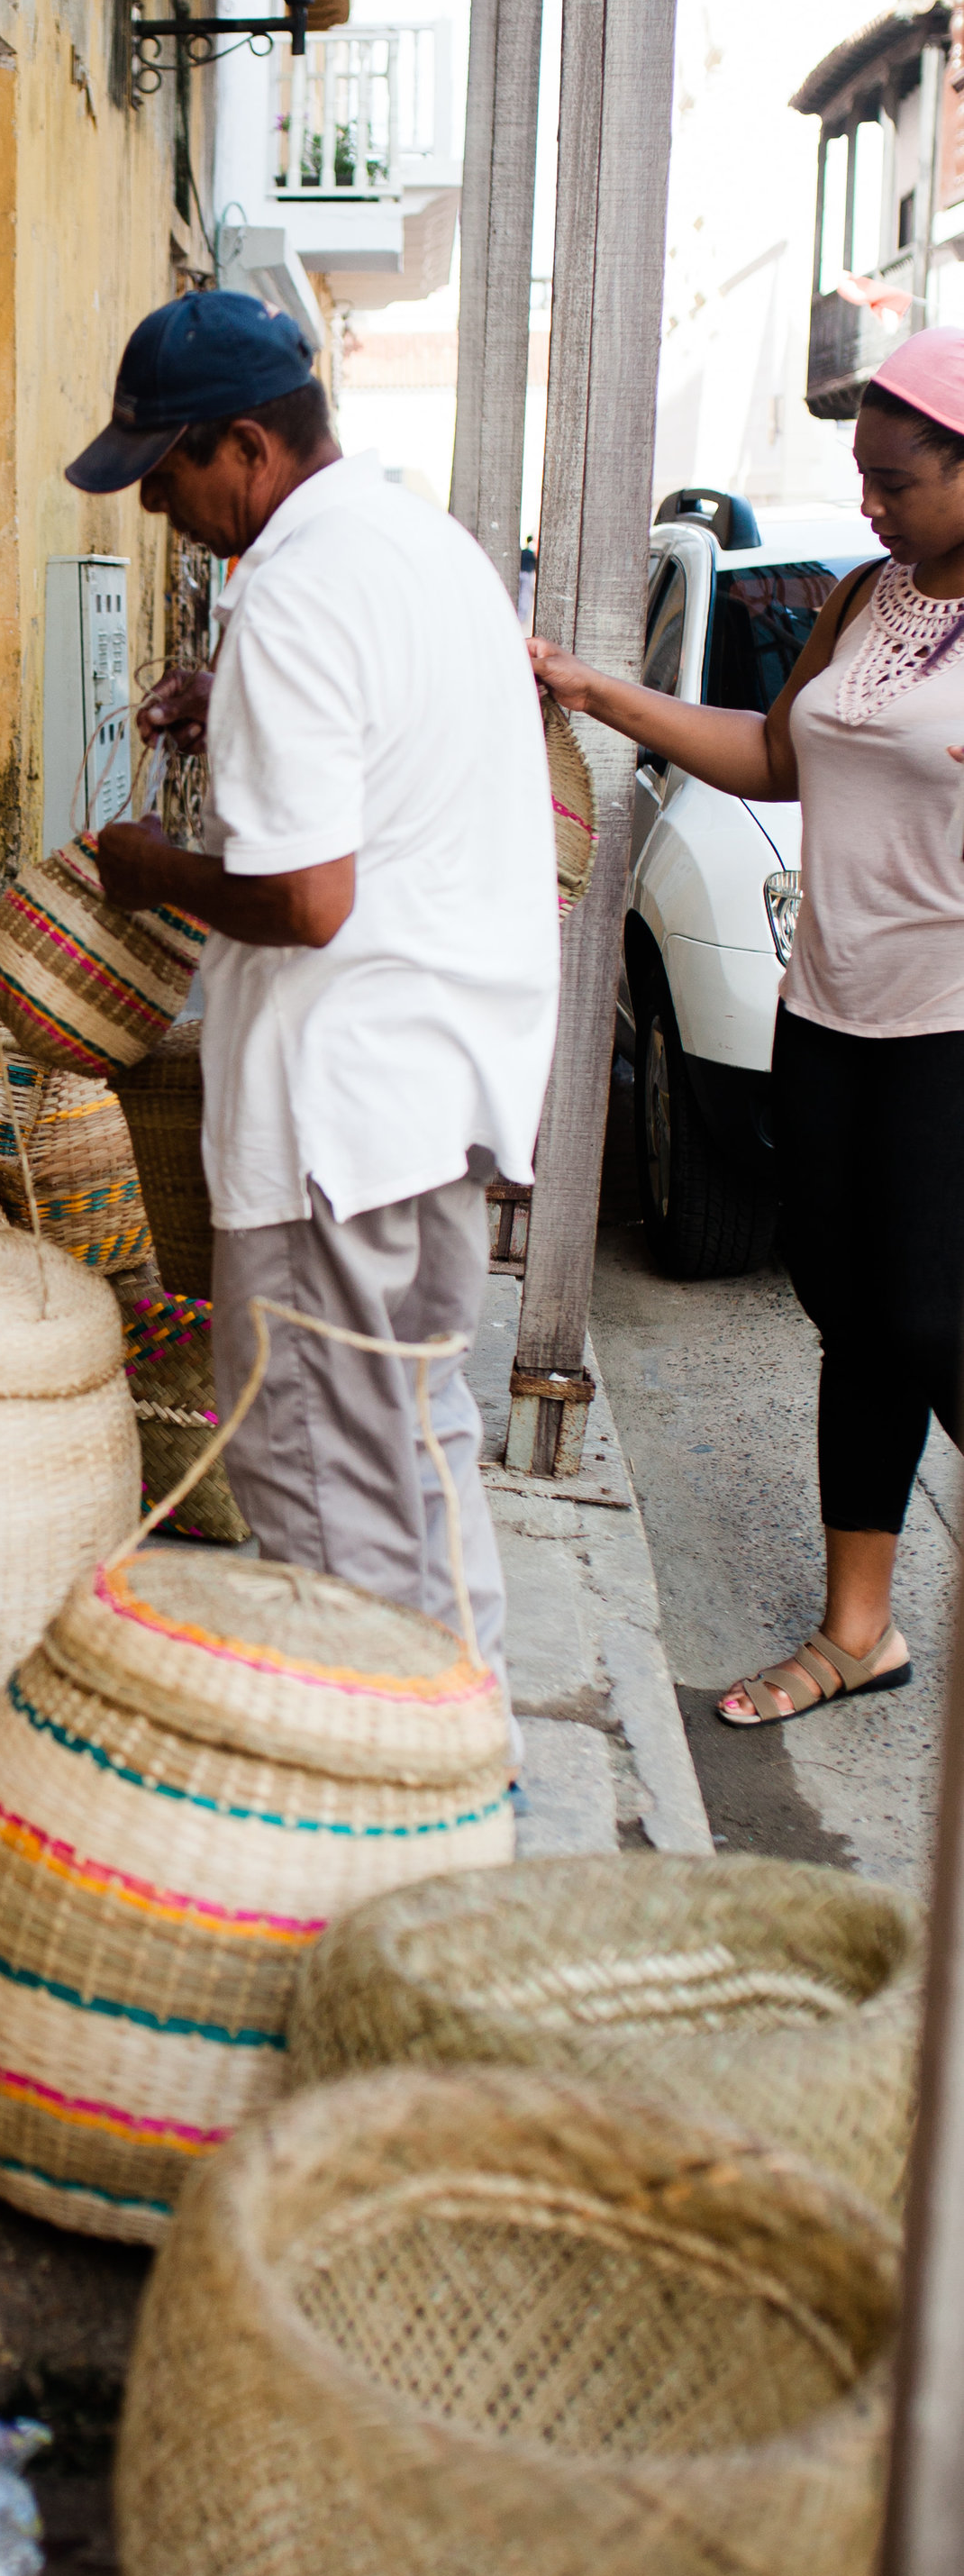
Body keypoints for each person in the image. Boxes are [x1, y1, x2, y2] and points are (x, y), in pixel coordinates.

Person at [68, 288, 559, 1689]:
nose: (162, 509)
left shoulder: (286, 590)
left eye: (168, 477)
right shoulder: (423, 546)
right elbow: (388, 752)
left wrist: (155, 869)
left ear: (246, 447)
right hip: (445, 1088)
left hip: (338, 1119)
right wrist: (226, 699)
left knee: (317, 1487)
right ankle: (474, 1767)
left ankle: (375, 1813)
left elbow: (306, 897)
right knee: (418, 1437)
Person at [531, 327, 964, 1730]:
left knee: (909, 1315)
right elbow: (778, 757)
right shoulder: (860, 599)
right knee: (850, 1305)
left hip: (950, 1029)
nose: (875, 504)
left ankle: (859, 1622)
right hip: (828, 1013)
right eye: (864, 476)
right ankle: (861, 1627)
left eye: (899, 479)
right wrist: (606, 698)